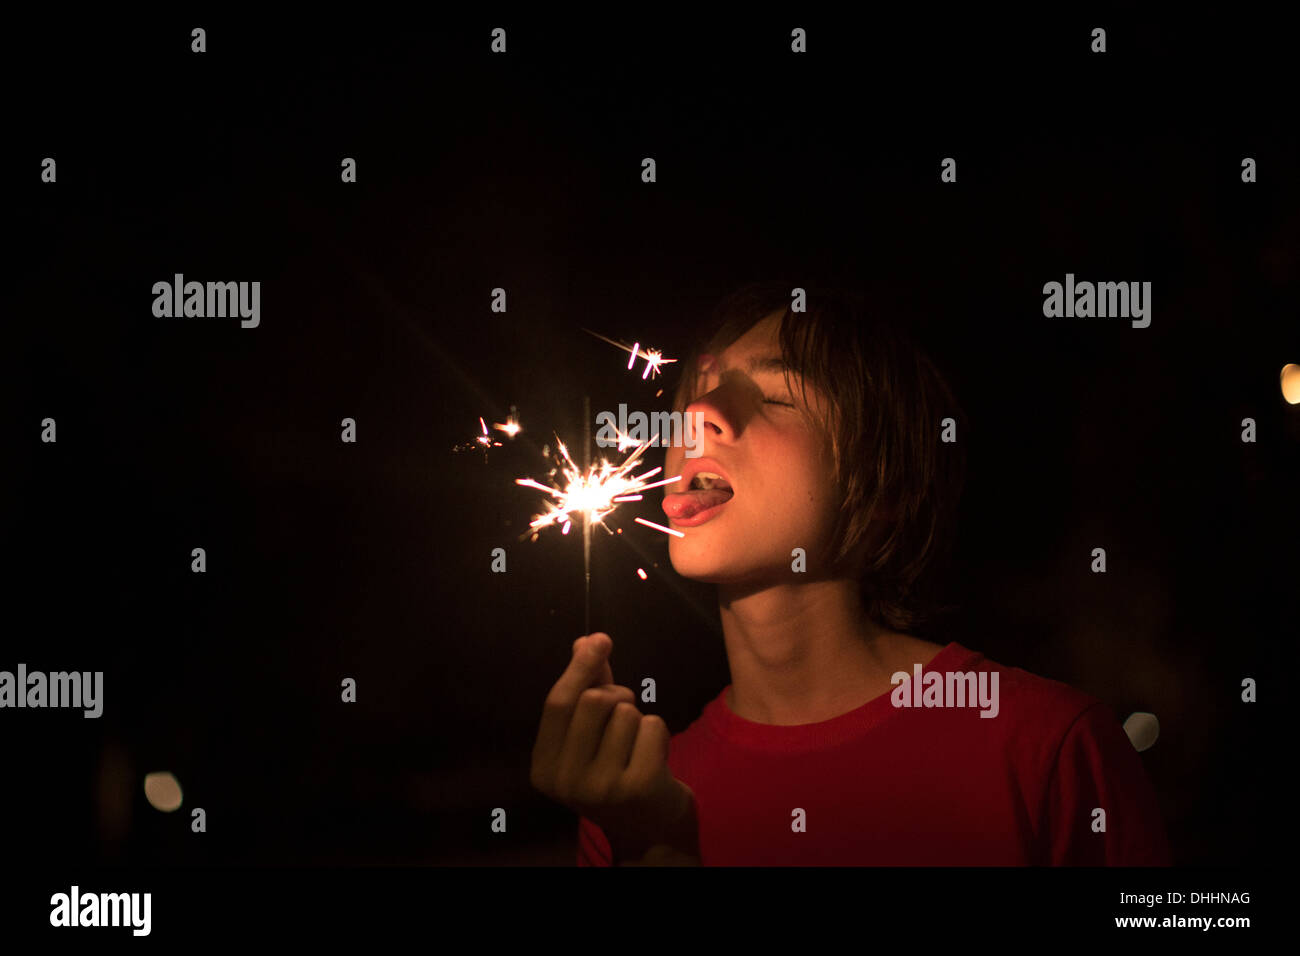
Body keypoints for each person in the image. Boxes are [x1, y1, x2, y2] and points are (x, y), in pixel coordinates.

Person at [529, 281, 1172, 866]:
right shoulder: (634, 793)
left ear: (885, 486)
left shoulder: (1045, 749)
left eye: (775, 395)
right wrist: (656, 846)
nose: (697, 418)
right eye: (693, 397)